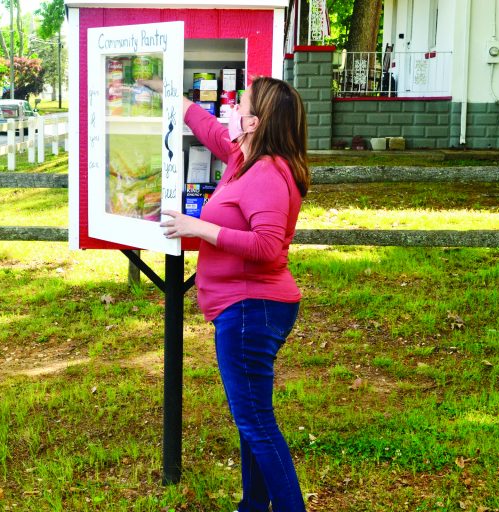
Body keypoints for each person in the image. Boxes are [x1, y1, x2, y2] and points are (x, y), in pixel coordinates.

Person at [159, 76, 310, 512]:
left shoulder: (267, 173)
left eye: (240, 105)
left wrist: (197, 227)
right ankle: (253, 506)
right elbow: (209, 130)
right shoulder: (243, 157)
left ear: (255, 122)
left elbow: (266, 245)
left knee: (257, 423)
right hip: (246, 308)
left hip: (252, 310)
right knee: (252, 422)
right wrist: (174, 97)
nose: (232, 110)